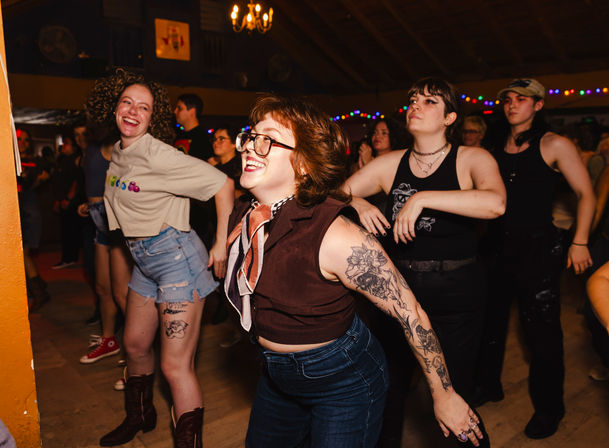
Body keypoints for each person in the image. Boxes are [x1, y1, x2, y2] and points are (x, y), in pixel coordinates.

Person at [225, 93, 484, 447]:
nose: (250, 148)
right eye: (251, 137)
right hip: (276, 377)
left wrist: (444, 394)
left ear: (303, 164)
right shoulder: (244, 214)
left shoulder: (335, 236)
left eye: (267, 140)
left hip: (342, 382)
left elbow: (411, 314)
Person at [343, 77, 504, 447]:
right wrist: (359, 202)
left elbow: (495, 203)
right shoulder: (391, 163)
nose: (415, 105)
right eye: (413, 99)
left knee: (452, 393)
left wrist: (422, 198)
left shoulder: (471, 158)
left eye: (429, 101)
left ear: (450, 117)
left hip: (456, 293)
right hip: (399, 290)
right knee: (386, 386)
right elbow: (337, 192)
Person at [88, 69, 234, 447]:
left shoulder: (159, 154)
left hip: (177, 262)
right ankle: (140, 416)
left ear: (153, 118)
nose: (133, 112)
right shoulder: (119, 152)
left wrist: (220, 244)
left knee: (174, 365)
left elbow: (223, 184)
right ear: (114, 107)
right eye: (127, 103)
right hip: (144, 262)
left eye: (144, 107)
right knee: (134, 345)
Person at [473, 78, 595, 439]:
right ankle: (488, 385)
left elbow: (585, 194)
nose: (513, 105)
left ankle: (549, 408)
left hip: (538, 252)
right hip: (494, 248)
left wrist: (580, 241)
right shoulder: (493, 145)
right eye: (508, 100)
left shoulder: (554, 144)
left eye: (522, 100)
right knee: (490, 326)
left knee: (541, 334)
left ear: (539, 105)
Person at [76, 123, 132, 378]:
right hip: (98, 217)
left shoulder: (115, 142)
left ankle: (136, 353)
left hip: (115, 217)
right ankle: (109, 340)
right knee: (102, 287)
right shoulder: (93, 146)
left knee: (122, 293)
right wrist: (88, 204)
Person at [16, 128, 51, 311]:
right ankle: (38, 287)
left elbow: (40, 178)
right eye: (20, 139)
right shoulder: (9, 159)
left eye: (26, 140)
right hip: (15, 211)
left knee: (24, 252)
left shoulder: (34, 162)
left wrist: (39, 179)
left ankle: (39, 292)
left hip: (28, 212)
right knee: (23, 254)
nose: (23, 143)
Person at [51, 134, 84, 269]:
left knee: (71, 231)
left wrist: (68, 199)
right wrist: (58, 200)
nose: (63, 146)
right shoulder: (62, 160)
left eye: (66, 143)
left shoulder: (75, 160)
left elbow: (76, 182)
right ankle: (68, 257)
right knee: (66, 231)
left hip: (71, 202)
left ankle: (70, 258)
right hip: (63, 200)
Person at [173, 93, 213, 161]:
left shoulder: (203, 139)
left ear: (192, 112)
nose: (175, 111)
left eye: (180, 108)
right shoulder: (179, 136)